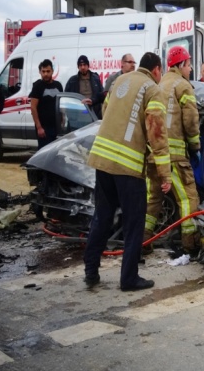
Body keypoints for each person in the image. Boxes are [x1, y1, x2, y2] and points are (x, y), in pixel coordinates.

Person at [83, 52, 171, 291]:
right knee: (134, 223)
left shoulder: (120, 80)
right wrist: (165, 174)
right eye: (160, 72)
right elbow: (157, 133)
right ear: (156, 70)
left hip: (103, 161)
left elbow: (106, 111)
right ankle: (129, 278)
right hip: (128, 168)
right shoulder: (153, 90)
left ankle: (91, 270)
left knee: (102, 217)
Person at [144, 46, 202, 256]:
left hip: (154, 156)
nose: (190, 69)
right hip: (175, 157)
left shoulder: (158, 85)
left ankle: (142, 242)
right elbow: (191, 120)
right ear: (180, 65)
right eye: (188, 64)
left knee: (153, 201)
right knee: (188, 199)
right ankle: (191, 244)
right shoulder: (183, 86)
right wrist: (195, 145)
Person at [29, 59, 64, 149]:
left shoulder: (58, 85)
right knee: (44, 154)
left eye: (48, 71)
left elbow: (62, 104)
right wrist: (39, 127)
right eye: (43, 71)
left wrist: (63, 120)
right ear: (40, 72)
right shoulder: (37, 86)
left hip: (56, 127)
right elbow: (33, 107)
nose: (45, 74)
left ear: (52, 71)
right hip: (44, 128)